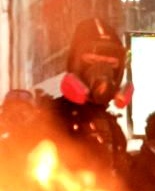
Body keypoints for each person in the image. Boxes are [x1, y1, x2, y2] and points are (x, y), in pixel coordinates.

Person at [47, 17, 129, 175]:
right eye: (92, 60)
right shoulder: (53, 117)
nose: (102, 71)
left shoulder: (112, 125)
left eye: (111, 63)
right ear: (74, 63)